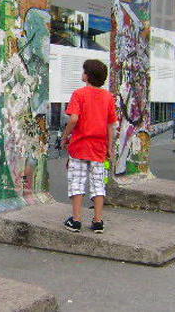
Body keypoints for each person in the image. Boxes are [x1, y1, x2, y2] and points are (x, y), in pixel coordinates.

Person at [61, 59, 117, 234]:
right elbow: (110, 126)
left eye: (83, 70)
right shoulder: (108, 97)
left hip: (80, 146)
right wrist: (109, 147)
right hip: (99, 148)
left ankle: (76, 221)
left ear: (87, 75)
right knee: (98, 184)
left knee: (77, 182)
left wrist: (65, 136)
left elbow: (73, 119)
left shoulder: (79, 94)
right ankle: (98, 221)